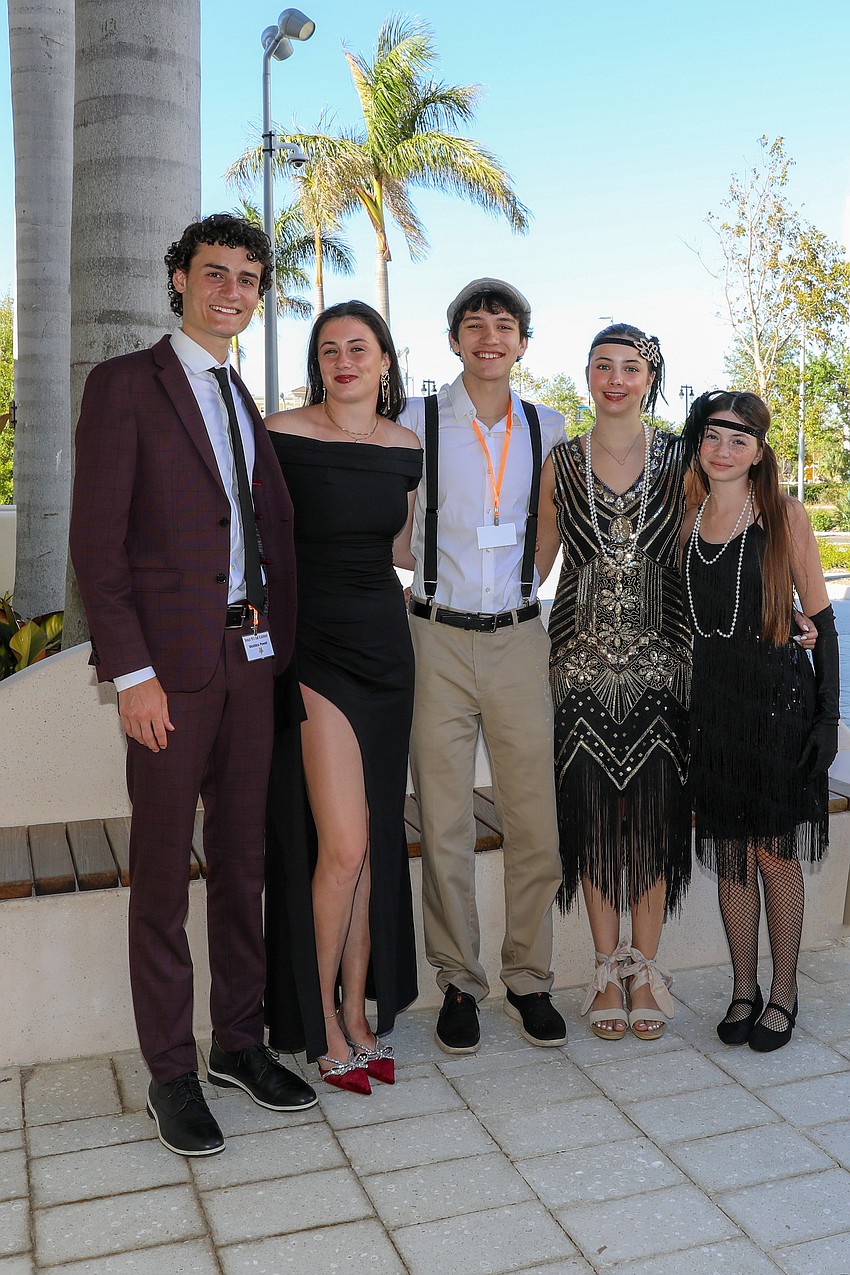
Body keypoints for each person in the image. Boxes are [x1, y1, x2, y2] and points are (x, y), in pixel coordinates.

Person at [69, 213, 317, 1157]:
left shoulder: (242, 396)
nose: (233, 292)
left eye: (250, 279)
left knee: (246, 865)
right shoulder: (128, 384)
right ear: (177, 278)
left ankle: (239, 1046)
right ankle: (171, 1071)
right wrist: (132, 673)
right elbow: (98, 544)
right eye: (216, 274)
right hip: (168, 676)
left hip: (252, 666)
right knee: (165, 877)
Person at [400, 278, 567, 1055]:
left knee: (536, 815)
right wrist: (439, 569)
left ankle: (529, 977)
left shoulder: (548, 424)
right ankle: (459, 982)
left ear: (523, 343)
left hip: (517, 639)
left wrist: (521, 582)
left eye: (504, 326)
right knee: (444, 819)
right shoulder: (417, 421)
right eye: (475, 324)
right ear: (456, 339)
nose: (490, 337)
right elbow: (394, 533)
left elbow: (551, 522)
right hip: (434, 637)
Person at [263, 301, 421, 1093]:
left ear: (386, 360)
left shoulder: (405, 449)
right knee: (344, 845)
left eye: (359, 347)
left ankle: (360, 1013)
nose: (343, 360)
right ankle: (320, 1017)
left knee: (377, 846)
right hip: (315, 651)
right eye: (329, 350)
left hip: (387, 652)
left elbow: (398, 550)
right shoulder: (280, 433)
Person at [537, 323, 691, 1041]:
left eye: (631, 366)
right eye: (603, 365)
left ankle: (646, 966)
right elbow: (534, 563)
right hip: (577, 660)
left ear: (650, 377)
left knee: (656, 816)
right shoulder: (561, 461)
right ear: (588, 374)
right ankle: (605, 966)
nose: (616, 377)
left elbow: (715, 545)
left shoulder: (686, 458)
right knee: (595, 813)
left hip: (667, 660)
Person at [681, 390, 839, 1051]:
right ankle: (743, 988)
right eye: (713, 435)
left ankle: (785, 990)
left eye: (739, 438)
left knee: (774, 856)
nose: (724, 448)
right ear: (699, 442)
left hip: (778, 706)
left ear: (758, 449)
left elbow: (822, 620)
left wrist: (827, 718)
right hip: (711, 711)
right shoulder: (684, 519)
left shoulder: (784, 515)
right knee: (732, 859)